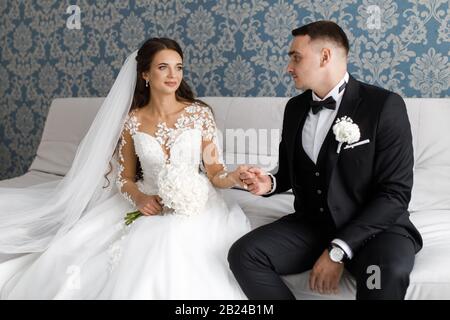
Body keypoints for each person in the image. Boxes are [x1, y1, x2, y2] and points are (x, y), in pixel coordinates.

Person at [0, 38, 251, 299]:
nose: (173, 75)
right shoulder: (132, 120)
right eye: (163, 67)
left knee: (168, 239)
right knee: (71, 251)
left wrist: (233, 176)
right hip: (146, 201)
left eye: (179, 67)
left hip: (197, 205)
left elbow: (215, 173)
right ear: (145, 74)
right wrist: (141, 198)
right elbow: (126, 178)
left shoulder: (199, 114)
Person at [228, 20, 423, 300]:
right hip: (313, 226)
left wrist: (338, 250)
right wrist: (268, 183)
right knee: (245, 254)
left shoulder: (384, 106)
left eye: (296, 57)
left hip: (375, 230)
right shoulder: (295, 109)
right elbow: (290, 172)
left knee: (383, 275)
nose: (288, 67)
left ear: (325, 57)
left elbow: (394, 194)